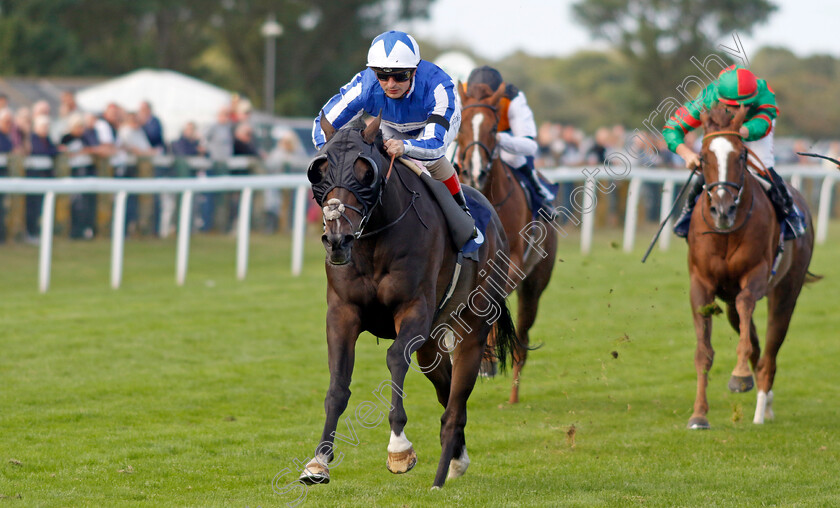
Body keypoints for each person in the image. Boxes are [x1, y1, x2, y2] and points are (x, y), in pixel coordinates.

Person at [311, 30, 468, 216]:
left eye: (400, 76)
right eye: (383, 76)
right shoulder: (364, 86)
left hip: (430, 130)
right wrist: (336, 156)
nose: (391, 84)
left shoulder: (438, 87)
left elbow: (436, 143)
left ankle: (462, 214)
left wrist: (405, 147)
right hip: (390, 125)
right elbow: (322, 125)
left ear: (414, 71)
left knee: (433, 161)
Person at [664, 65, 806, 240]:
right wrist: (687, 154)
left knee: (762, 165)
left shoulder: (764, 92)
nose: (739, 109)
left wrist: (738, 131)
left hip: (754, 128)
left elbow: (763, 124)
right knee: (713, 164)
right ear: (720, 99)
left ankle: (790, 212)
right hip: (720, 125)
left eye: (746, 104)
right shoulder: (707, 99)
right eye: (733, 105)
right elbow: (672, 128)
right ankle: (688, 211)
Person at [465, 65, 555, 216]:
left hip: (503, 138)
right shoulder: (459, 93)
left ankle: (540, 197)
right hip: (470, 139)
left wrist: (500, 139)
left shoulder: (513, 98)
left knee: (515, 158)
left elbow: (530, 146)